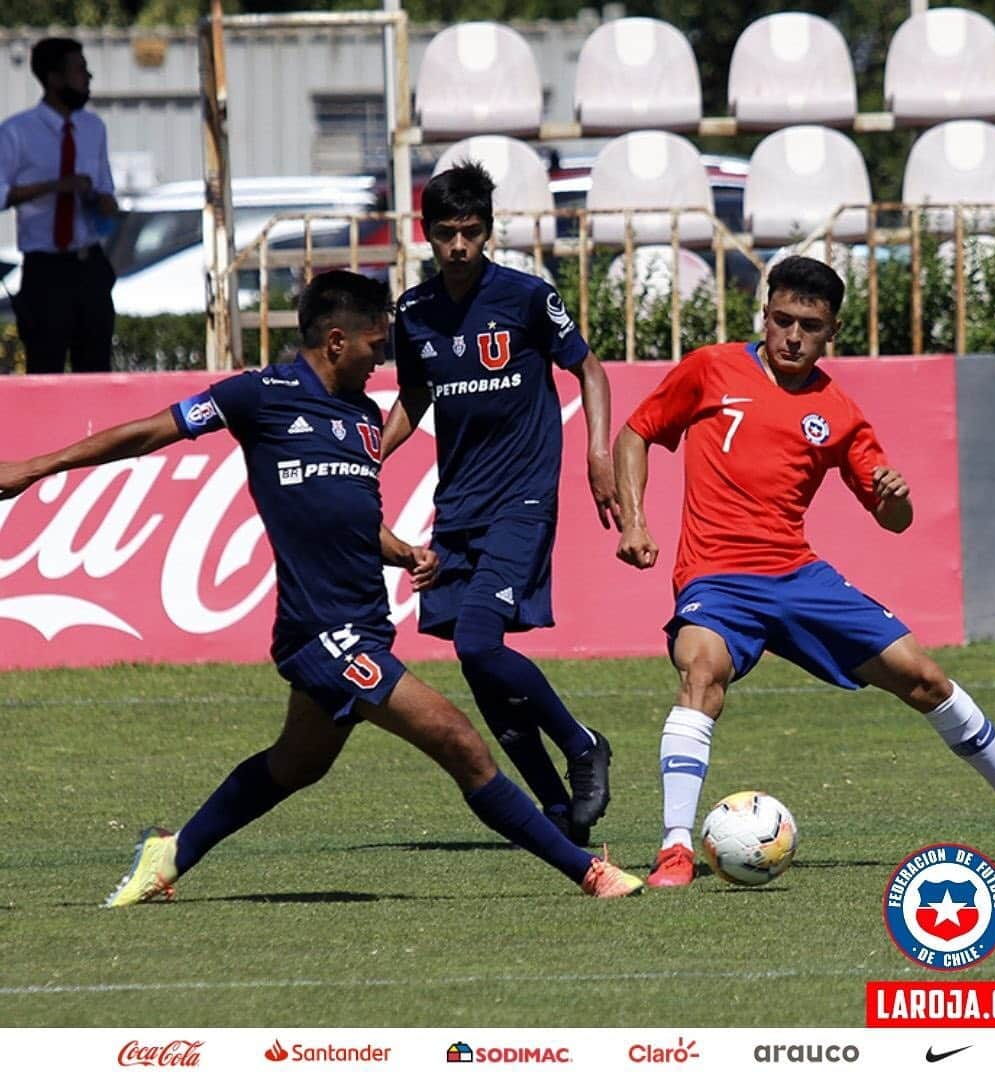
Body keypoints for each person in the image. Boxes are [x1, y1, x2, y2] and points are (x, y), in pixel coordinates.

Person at [0, 271, 643, 903]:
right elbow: (147, 432)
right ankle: (587, 872)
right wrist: (37, 466)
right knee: (458, 741)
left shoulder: (364, 418)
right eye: (374, 347)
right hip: (321, 633)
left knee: (297, 764)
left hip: (363, 623)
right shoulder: (260, 395)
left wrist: (404, 552)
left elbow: (350, 517)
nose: (381, 362)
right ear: (336, 341)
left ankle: (170, 856)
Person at [613, 255, 995, 888]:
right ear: (765, 315)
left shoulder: (839, 413)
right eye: (782, 320)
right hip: (715, 579)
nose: (792, 336)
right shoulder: (711, 369)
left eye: (809, 325)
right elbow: (635, 433)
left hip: (797, 578)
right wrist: (634, 518)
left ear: (832, 332)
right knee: (701, 671)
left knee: (927, 679)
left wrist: (896, 495)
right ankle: (676, 849)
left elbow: (894, 519)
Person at [383, 162, 619, 844]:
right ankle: (555, 809)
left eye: (472, 232)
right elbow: (413, 397)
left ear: (488, 231)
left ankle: (581, 745)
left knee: (480, 641)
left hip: (521, 498)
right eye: (447, 233)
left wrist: (595, 453)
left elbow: (589, 368)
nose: (459, 246)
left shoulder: (524, 297)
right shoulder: (414, 312)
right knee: (476, 665)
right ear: (425, 233)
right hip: (455, 507)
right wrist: (368, 457)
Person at [0, 37, 118, 374]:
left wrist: (103, 200)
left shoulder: (93, 128)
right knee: (45, 364)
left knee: (96, 365)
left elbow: (106, 189)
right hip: (46, 268)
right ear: (54, 79)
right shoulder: (16, 133)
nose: (88, 77)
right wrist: (55, 186)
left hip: (88, 261)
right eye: (79, 70)